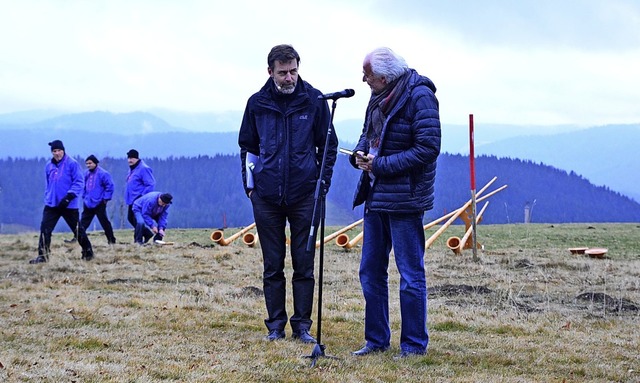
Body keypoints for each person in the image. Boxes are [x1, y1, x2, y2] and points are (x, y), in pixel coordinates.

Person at [238, 44, 338, 344]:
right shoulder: (257, 103)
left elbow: (329, 146)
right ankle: (275, 326)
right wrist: (250, 186)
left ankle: (302, 326)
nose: (289, 77)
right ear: (270, 72)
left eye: (293, 71)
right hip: (266, 197)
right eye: (282, 73)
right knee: (273, 264)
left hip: (306, 195)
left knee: (304, 265)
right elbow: (247, 146)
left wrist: (322, 184)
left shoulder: (315, 101)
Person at [349, 47, 441, 359]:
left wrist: (381, 165)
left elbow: (427, 148)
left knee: (410, 274)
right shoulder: (379, 95)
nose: (364, 81)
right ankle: (376, 341)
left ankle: (414, 346)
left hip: (405, 199)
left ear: (386, 76)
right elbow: (368, 134)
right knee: (370, 271)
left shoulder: (420, 96)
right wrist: (359, 155)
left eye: (368, 76)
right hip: (375, 196)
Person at [29, 140, 95, 264]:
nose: (57, 153)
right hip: (52, 204)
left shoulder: (72, 164)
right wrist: (48, 196)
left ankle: (88, 252)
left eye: (59, 150)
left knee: (77, 230)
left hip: (68, 204)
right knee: (45, 229)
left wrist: (69, 196)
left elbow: (79, 182)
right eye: (54, 151)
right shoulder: (48, 165)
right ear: (52, 152)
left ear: (63, 150)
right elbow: (48, 184)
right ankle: (43, 256)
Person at [65, 155, 117, 244]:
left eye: (90, 163)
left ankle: (111, 240)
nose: (88, 165)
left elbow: (110, 186)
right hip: (88, 203)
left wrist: (105, 198)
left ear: (95, 163)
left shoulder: (103, 174)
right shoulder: (86, 174)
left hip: (99, 202)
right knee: (82, 223)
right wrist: (84, 196)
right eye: (87, 164)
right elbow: (82, 185)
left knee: (104, 222)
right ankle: (76, 239)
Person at [125, 149, 155, 241]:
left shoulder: (143, 168)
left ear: (137, 158)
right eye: (129, 158)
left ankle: (138, 240)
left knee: (138, 220)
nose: (130, 160)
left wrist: (142, 196)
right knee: (130, 218)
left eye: (132, 158)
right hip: (131, 199)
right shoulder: (132, 169)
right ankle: (147, 233)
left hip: (139, 199)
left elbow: (151, 184)